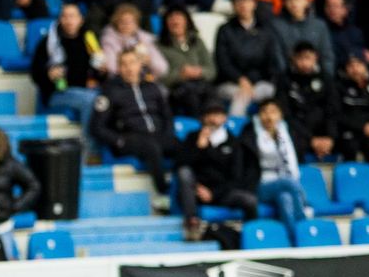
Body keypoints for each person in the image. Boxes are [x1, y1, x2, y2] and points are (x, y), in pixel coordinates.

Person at [90, 50, 176, 195]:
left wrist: (168, 134)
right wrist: (118, 140)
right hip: (130, 138)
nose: (129, 68)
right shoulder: (110, 91)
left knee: (185, 146)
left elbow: (167, 116)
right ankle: (163, 194)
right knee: (151, 147)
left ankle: (187, 190)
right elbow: (96, 126)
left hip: (157, 134)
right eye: (124, 64)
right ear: (118, 68)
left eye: (132, 63)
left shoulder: (153, 88)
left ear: (140, 65)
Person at [176, 100, 261, 239]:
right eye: (209, 115)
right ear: (203, 117)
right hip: (196, 191)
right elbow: (180, 165)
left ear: (224, 118)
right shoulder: (192, 137)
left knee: (250, 200)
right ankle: (192, 224)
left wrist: (213, 193)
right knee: (184, 173)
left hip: (223, 192)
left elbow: (236, 177)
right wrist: (198, 148)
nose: (213, 119)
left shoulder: (234, 143)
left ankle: (251, 235)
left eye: (217, 114)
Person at [30, 4, 104, 129]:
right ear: (59, 19)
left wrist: (102, 71)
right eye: (64, 16)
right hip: (57, 93)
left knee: (110, 97)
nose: (69, 20)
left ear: (81, 20)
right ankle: (91, 147)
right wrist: (48, 74)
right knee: (90, 100)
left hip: (86, 89)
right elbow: (35, 74)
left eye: (73, 16)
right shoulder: (48, 42)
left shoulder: (89, 40)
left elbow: (98, 72)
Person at [215, 0, 284, 115]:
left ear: (254, 4)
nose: (243, 5)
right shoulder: (225, 30)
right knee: (242, 96)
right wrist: (240, 80)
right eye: (238, 1)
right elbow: (223, 62)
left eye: (246, 0)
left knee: (278, 93)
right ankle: (235, 131)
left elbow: (271, 61)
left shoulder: (266, 30)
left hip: (260, 83)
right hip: (230, 83)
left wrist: (255, 82)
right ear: (233, 5)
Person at [252, 98, 309, 224]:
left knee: (285, 199)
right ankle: (303, 220)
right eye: (264, 112)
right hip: (261, 184)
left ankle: (294, 238)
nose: (268, 116)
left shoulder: (287, 133)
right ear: (259, 115)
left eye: (273, 111)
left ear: (280, 115)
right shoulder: (251, 134)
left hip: (283, 183)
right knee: (289, 183)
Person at [158, 7, 218, 118]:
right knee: (190, 93)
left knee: (212, 93)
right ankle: (199, 127)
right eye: (171, 18)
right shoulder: (159, 46)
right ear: (165, 23)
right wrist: (181, 75)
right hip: (177, 89)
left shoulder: (197, 42)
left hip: (202, 84)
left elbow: (212, 70)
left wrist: (200, 71)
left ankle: (217, 128)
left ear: (187, 21)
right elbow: (160, 77)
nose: (175, 21)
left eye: (179, 18)